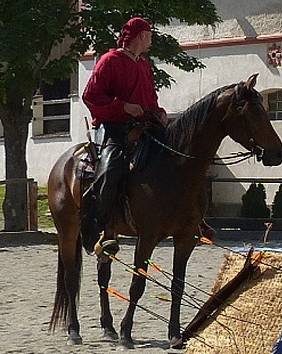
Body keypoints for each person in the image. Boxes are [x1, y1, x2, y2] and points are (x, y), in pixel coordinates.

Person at [81, 17, 169, 254]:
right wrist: (122, 107)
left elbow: (150, 98)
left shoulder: (144, 64)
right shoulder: (109, 61)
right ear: (140, 36)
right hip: (115, 128)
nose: (151, 39)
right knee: (111, 168)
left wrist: (158, 112)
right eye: (149, 34)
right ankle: (99, 224)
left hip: (146, 126)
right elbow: (90, 96)